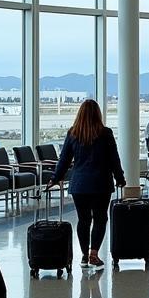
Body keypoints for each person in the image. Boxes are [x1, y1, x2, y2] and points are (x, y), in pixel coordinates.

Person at [48, 99, 126, 269]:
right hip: (101, 184)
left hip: (80, 184)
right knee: (100, 218)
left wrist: (55, 178)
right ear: (98, 114)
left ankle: (84, 255)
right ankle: (94, 254)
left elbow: (64, 160)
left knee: (83, 220)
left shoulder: (72, 133)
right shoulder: (105, 133)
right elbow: (114, 159)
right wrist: (120, 178)